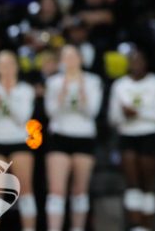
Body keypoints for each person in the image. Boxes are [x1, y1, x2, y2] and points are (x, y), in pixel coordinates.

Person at [108, 48, 155, 231]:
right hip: (127, 135)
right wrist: (125, 114)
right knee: (132, 182)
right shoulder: (119, 86)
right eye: (132, 61)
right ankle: (135, 225)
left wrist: (139, 113)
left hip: (149, 135)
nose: (136, 64)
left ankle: (148, 224)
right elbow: (113, 118)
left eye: (139, 60)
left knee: (147, 183)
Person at [44, 45, 103, 231]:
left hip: (84, 136)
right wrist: (62, 94)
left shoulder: (93, 81)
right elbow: (51, 112)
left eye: (73, 56)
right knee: (56, 191)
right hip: (59, 135)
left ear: (81, 58)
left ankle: (77, 228)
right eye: (65, 57)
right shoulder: (54, 82)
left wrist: (83, 92)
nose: (70, 61)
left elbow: (92, 112)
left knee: (79, 191)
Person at [0, 50, 38, 231]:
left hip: (19, 141)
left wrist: (5, 101)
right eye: (2, 65)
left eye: (10, 64)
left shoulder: (25, 89)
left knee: (25, 190)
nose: (6, 68)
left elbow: (22, 118)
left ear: (16, 67)